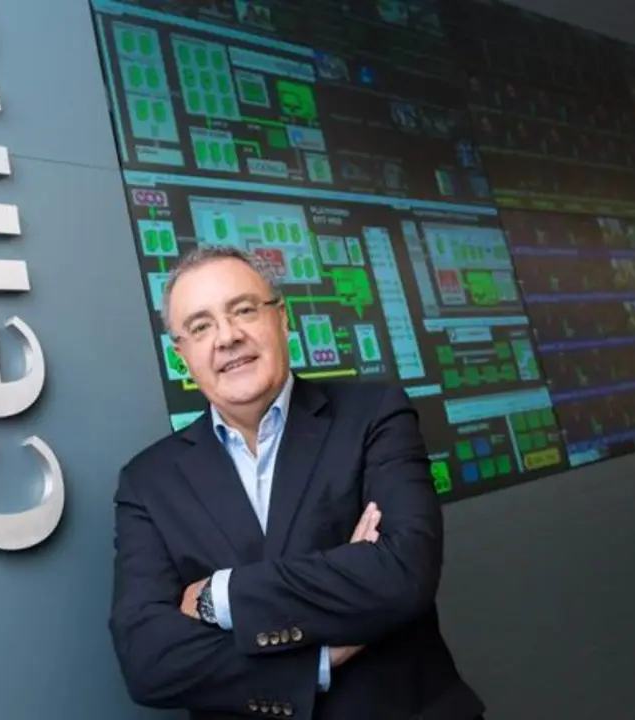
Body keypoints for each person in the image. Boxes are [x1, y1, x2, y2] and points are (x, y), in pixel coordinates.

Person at [109, 246, 485, 719]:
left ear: (282, 318)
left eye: (244, 310)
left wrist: (217, 597)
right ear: (181, 355)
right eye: (200, 327)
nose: (227, 336)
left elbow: (404, 573)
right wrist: (316, 660)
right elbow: (148, 660)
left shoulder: (375, 415)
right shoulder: (147, 482)